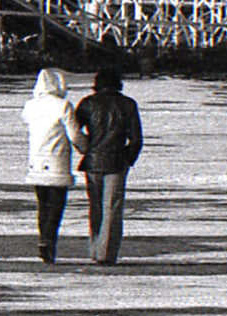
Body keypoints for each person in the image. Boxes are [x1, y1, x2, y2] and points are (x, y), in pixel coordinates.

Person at [74, 66, 143, 266]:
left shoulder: (87, 103)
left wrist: (85, 149)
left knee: (95, 205)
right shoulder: (128, 104)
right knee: (112, 207)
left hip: (93, 161)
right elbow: (136, 139)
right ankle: (107, 252)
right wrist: (128, 159)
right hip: (117, 161)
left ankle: (96, 248)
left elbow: (74, 131)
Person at [20, 68, 84, 264]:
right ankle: (50, 241)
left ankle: (43, 240)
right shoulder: (63, 106)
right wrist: (86, 147)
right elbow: (75, 135)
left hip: (36, 163)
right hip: (57, 162)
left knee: (43, 206)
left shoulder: (30, 106)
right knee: (56, 207)